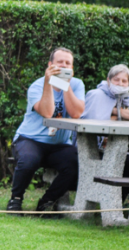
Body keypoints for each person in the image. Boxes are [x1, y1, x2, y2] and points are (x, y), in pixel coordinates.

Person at [6, 48, 85, 214]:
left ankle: (47, 201)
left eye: (67, 63)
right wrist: (50, 83)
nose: (63, 66)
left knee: (75, 163)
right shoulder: (37, 86)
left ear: (72, 68)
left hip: (59, 144)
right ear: (50, 65)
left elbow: (76, 113)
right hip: (30, 139)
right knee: (29, 160)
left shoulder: (77, 85)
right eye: (59, 62)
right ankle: (16, 199)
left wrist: (65, 85)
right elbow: (47, 113)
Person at [83, 64, 129, 197]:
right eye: (116, 80)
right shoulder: (95, 95)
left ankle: (119, 205)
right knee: (126, 165)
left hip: (123, 148)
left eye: (124, 81)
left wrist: (111, 112)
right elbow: (92, 121)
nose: (120, 83)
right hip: (95, 148)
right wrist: (122, 114)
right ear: (108, 80)